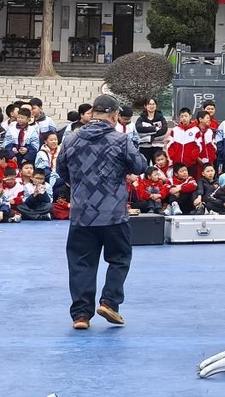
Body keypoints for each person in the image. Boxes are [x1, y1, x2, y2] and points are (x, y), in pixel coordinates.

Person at [56, 94, 147, 331]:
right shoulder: (121, 139)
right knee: (119, 258)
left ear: (93, 113)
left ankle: (81, 315)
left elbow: (61, 171)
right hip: (113, 212)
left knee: (80, 263)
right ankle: (109, 302)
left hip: (81, 213)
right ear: (115, 115)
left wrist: (79, 187)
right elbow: (139, 166)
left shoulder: (71, 139)